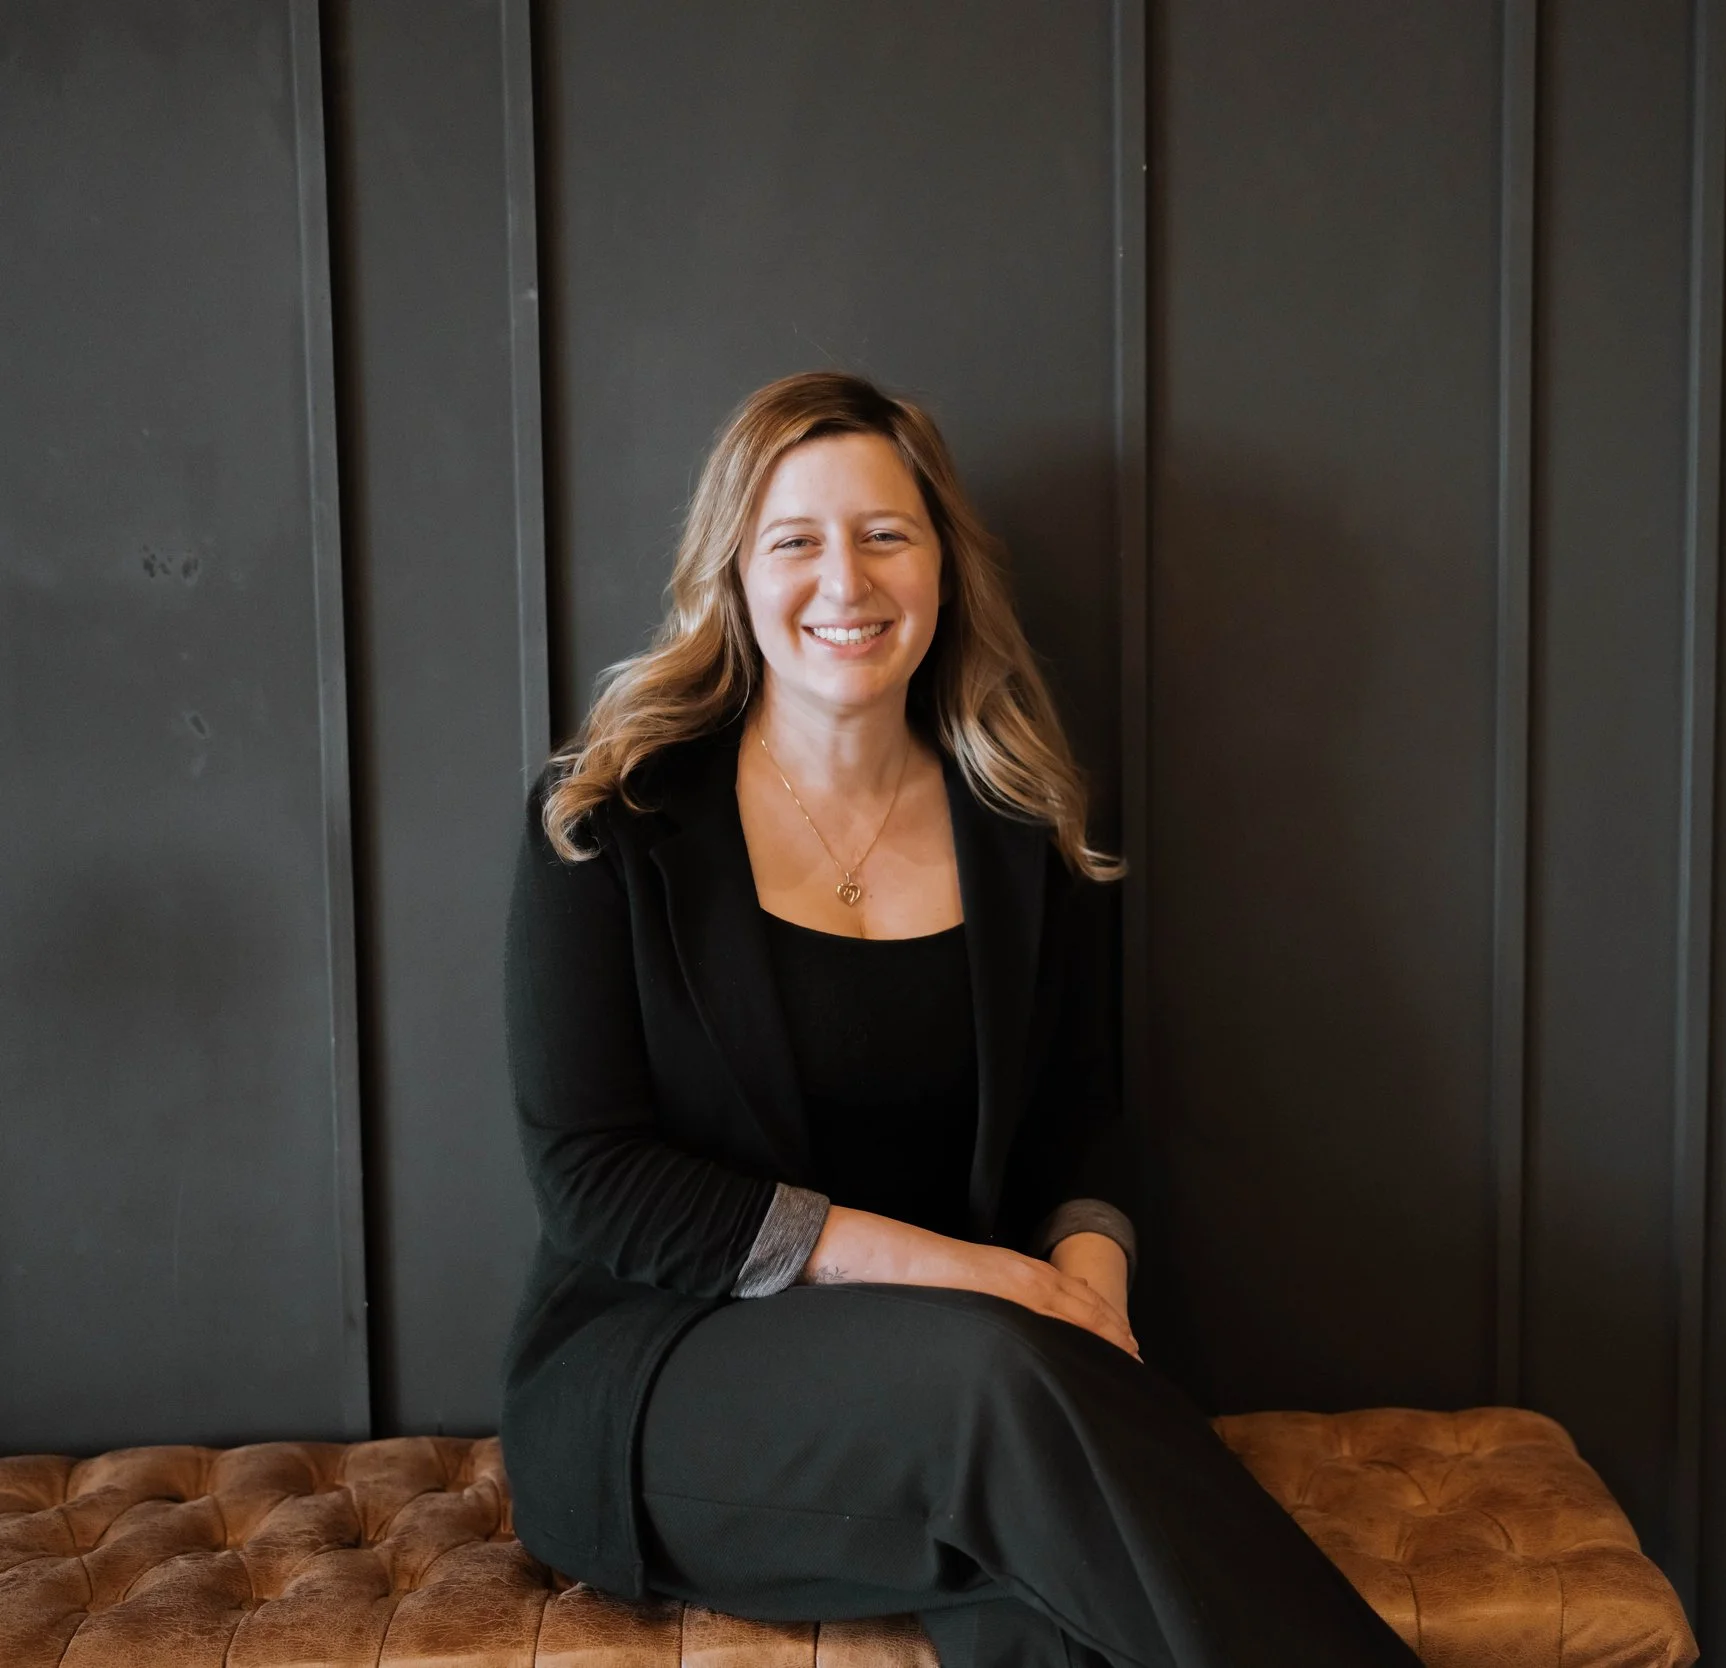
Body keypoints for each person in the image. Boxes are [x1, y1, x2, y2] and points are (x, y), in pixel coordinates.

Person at [499, 371, 1418, 1668]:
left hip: (971, 1392)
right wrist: (984, 1280)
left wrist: (1087, 1284)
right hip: (658, 1385)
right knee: (999, 1384)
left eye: (886, 535)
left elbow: (1076, 1125)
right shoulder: (609, 822)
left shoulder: (1020, 828)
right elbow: (593, 1181)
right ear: (733, 576)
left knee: (1045, 1618)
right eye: (796, 541)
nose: (846, 582)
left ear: (942, 564)